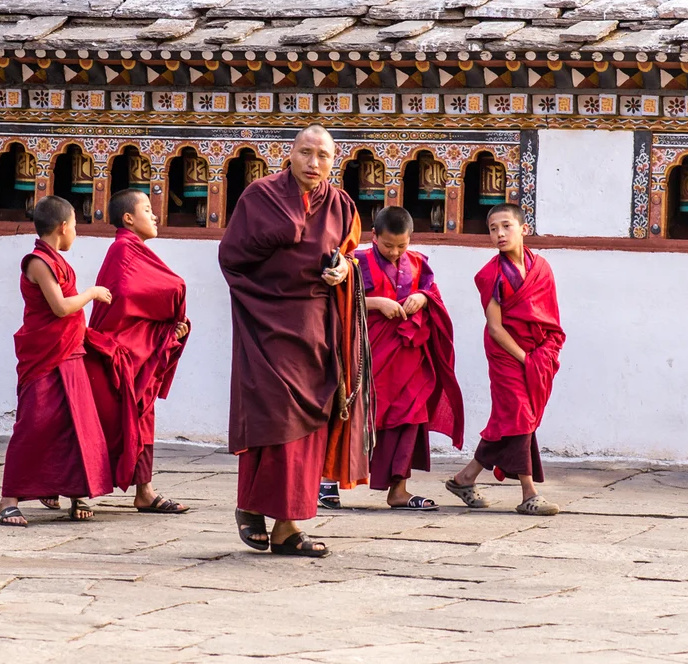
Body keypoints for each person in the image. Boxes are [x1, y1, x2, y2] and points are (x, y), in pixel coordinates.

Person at [219, 124, 368, 558]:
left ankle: (286, 526)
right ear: (290, 154)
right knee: (274, 419)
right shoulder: (260, 197)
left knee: (307, 430)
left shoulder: (341, 204)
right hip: (268, 322)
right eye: (306, 152)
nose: (313, 162)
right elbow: (232, 257)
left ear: (333, 161)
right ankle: (250, 505)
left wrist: (344, 272)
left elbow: (350, 254)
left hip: (316, 328)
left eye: (322, 155)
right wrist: (280, 238)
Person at [0, 196, 114, 526]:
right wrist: (92, 293)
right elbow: (60, 307)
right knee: (34, 425)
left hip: (68, 352)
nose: (76, 232)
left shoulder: (56, 260)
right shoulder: (38, 262)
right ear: (62, 227)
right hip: (45, 355)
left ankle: (75, 491)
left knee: (74, 425)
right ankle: (8, 499)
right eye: (75, 225)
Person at [445, 203, 566, 516]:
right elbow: (496, 328)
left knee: (508, 421)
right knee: (520, 415)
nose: (499, 233)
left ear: (523, 229)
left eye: (506, 226)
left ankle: (464, 478)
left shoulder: (541, 268)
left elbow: (549, 316)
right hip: (506, 354)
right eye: (492, 229)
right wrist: (525, 359)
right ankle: (529, 493)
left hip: (535, 352)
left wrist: (542, 353)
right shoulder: (490, 275)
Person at [84, 189, 191, 514]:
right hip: (113, 352)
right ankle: (64, 487)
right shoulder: (123, 249)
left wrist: (167, 331)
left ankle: (144, 491)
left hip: (136, 353)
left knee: (142, 417)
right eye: (147, 209)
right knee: (101, 421)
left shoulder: (135, 250)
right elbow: (130, 295)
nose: (155, 215)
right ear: (128, 218)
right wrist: (173, 299)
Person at [356, 206, 463, 510]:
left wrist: (424, 297)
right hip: (373, 356)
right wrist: (376, 303)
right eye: (388, 245)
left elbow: (433, 293)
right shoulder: (356, 261)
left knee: (411, 416)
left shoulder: (417, 263)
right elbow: (337, 302)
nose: (394, 252)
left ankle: (399, 489)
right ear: (373, 236)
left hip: (410, 356)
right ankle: (327, 482)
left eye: (401, 245)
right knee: (361, 417)